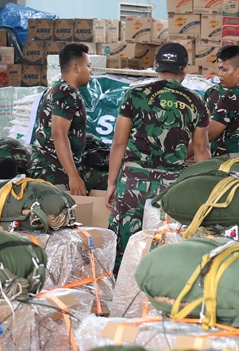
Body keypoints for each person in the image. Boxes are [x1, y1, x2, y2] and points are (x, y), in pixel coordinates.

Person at [106, 42, 211, 268]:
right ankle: (153, 297)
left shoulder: (135, 94)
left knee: (123, 245)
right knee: (161, 245)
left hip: (133, 180)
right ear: (185, 69)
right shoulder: (195, 101)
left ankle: (118, 296)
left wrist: (112, 183)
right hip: (170, 187)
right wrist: (209, 192)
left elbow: (119, 142)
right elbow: (202, 150)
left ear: (155, 65)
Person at [28, 43, 93, 195]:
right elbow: (59, 133)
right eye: (88, 66)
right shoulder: (65, 93)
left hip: (54, 165)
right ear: (76, 68)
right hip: (52, 169)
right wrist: (74, 176)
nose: (91, 72)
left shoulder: (60, 89)